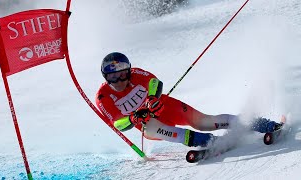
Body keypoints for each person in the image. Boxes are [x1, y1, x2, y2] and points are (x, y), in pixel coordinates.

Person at [95, 52, 283, 147]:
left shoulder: (136, 74)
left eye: (123, 74)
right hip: (148, 125)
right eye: (113, 77)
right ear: (105, 77)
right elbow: (116, 124)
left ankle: (260, 123)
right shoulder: (103, 97)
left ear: (129, 71)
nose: (120, 80)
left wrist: (152, 98)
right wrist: (133, 118)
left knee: (206, 122)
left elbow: (154, 82)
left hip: (166, 107)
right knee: (151, 128)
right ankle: (203, 141)